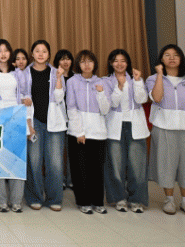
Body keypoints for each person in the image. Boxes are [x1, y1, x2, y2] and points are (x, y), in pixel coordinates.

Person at [146, 44, 185, 217]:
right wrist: (160, 74)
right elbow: (157, 97)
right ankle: (169, 200)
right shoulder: (153, 79)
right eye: (167, 55)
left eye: (175, 55)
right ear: (161, 59)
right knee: (166, 165)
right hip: (164, 129)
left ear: (181, 59)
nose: (172, 58)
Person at [0, 39, 33, 213]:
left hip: (16, 117)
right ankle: (1, 201)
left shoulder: (18, 73)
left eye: (6, 50)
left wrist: (27, 113)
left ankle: (16, 200)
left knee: (17, 160)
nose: (3, 54)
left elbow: (24, 95)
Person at [103, 49, 149, 213]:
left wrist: (137, 81)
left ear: (128, 63)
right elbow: (111, 104)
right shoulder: (106, 81)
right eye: (116, 61)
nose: (119, 64)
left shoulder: (136, 79)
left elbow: (142, 99)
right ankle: (118, 198)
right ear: (111, 63)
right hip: (115, 126)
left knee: (137, 166)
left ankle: (136, 200)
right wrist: (119, 87)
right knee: (116, 166)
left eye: (123, 61)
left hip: (135, 125)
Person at [22, 40, 67, 211]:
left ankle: (54, 198)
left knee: (55, 163)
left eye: (44, 51)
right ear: (32, 54)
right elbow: (21, 99)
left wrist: (58, 78)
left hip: (54, 123)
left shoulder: (57, 72)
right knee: (34, 162)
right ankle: (35, 197)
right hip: (34, 123)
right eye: (37, 51)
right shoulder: (24, 73)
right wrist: (28, 124)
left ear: (49, 54)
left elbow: (59, 98)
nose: (40, 54)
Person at [66, 50, 111, 214]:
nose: (87, 65)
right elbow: (71, 107)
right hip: (78, 132)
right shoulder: (72, 82)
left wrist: (100, 93)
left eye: (90, 61)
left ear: (95, 64)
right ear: (78, 64)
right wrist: (79, 131)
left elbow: (105, 109)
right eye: (83, 61)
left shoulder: (102, 82)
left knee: (97, 169)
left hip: (98, 132)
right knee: (80, 169)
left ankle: (98, 201)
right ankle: (83, 201)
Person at [53, 49, 74, 189]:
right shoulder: (54, 76)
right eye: (62, 59)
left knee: (73, 152)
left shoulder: (76, 77)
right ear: (57, 61)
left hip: (74, 119)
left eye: (68, 58)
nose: (65, 62)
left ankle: (71, 179)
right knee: (58, 153)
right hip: (58, 117)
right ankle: (59, 180)